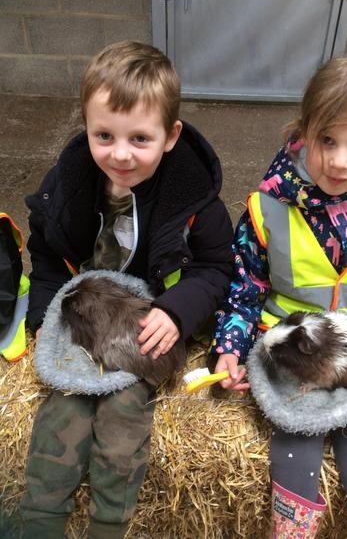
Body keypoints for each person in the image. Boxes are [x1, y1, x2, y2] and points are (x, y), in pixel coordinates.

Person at [21, 40, 233, 538]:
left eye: (140, 138)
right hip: (83, 320)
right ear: (86, 127)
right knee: (61, 414)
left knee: (121, 423)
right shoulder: (68, 185)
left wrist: (177, 311)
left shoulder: (193, 199)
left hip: (142, 328)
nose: (119, 154)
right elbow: (46, 254)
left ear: (170, 135)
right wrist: (44, 316)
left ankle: (108, 526)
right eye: (104, 135)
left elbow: (217, 268)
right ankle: (38, 524)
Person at [211, 54, 347, 538]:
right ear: (303, 132)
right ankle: (291, 530)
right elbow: (244, 286)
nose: (339, 161)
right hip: (287, 352)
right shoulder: (268, 206)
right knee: (295, 432)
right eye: (327, 140)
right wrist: (228, 349)